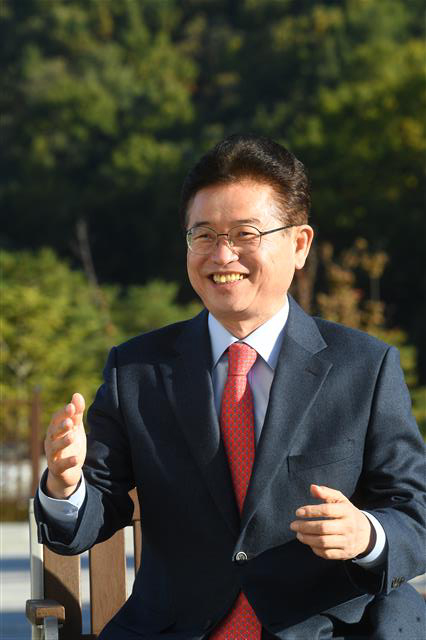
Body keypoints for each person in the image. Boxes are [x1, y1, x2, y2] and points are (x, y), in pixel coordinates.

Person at [35, 134, 425, 639]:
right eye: (203, 235)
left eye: (245, 234)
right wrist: (65, 486)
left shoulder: (364, 367)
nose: (222, 255)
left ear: (299, 244)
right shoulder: (137, 369)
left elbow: (414, 511)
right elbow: (94, 510)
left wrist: (365, 535)